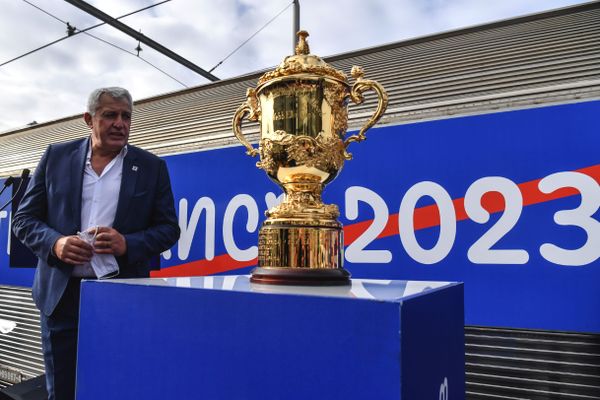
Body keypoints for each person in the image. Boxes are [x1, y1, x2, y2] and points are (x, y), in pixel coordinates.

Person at [12, 87, 180, 400]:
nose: (120, 123)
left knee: (116, 388)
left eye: (126, 116)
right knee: (62, 391)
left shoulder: (151, 167)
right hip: (61, 299)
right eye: (110, 115)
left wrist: (126, 243)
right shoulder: (55, 157)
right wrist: (56, 243)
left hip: (121, 296)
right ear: (89, 119)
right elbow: (23, 220)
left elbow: (169, 229)